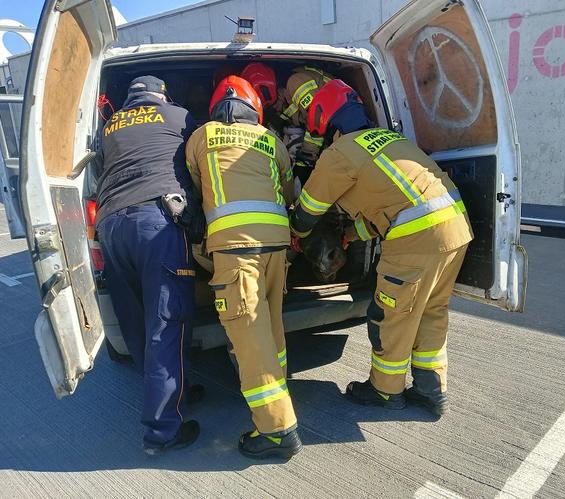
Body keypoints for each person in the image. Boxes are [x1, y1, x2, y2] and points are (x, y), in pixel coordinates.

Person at [290, 80, 474, 417]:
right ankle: (431, 391)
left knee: (389, 315)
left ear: (327, 123)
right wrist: (349, 235)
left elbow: (308, 210)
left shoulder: (339, 153)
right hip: (455, 229)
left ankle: (385, 392)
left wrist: (296, 234)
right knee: (430, 312)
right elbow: (387, 210)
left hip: (417, 241)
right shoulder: (392, 139)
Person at [184, 75, 302, 459]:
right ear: (256, 109)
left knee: (250, 342)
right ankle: (278, 391)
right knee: (271, 328)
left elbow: (197, 184)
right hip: (277, 246)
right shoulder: (271, 139)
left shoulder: (201, 136)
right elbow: (289, 188)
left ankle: (276, 430)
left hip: (235, 250)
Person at [94, 76, 202, 453]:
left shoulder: (108, 127)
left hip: (110, 225)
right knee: (166, 322)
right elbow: (201, 163)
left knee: (136, 321)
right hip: (156, 221)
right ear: (161, 96)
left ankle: (173, 394)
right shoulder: (178, 115)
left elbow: (97, 171)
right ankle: (163, 430)